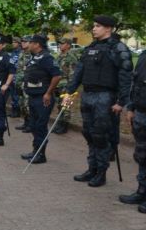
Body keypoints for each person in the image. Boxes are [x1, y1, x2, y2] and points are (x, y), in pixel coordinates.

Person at [64, 15, 133, 187]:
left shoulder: (118, 48)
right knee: (88, 133)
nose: (94, 28)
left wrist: (121, 102)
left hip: (105, 97)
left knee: (100, 136)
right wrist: (68, 92)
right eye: (93, 25)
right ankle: (91, 169)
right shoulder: (90, 48)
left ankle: (101, 173)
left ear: (108, 28)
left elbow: (125, 77)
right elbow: (79, 72)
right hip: (87, 95)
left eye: (98, 26)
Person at [20, 34, 61, 164]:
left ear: (37, 44)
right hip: (33, 96)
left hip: (42, 98)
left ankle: (41, 155)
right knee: (33, 125)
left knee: (40, 126)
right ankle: (35, 150)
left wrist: (48, 93)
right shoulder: (35, 57)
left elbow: (57, 76)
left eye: (30, 42)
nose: (28, 44)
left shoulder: (47, 58)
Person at [120, 49, 146, 213]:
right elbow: (135, 82)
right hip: (141, 113)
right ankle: (142, 191)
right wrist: (130, 107)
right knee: (142, 155)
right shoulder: (144, 55)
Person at [0, 36, 15, 146]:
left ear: (3, 45)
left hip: (1, 88)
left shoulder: (6, 57)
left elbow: (12, 72)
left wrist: (6, 84)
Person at [52, 38, 79, 134]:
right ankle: (59, 123)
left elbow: (73, 74)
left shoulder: (71, 57)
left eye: (62, 43)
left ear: (68, 45)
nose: (60, 45)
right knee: (59, 106)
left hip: (66, 85)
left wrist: (70, 88)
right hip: (58, 85)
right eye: (59, 43)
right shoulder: (59, 56)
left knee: (66, 106)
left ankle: (64, 126)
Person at [14, 36, 32, 132]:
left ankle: (30, 124)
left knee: (27, 104)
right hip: (19, 82)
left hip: (27, 83)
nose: (23, 43)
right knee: (22, 104)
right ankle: (25, 122)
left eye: (26, 42)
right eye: (22, 42)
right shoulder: (21, 53)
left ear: (30, 43)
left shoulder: (32, 54)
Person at [9, 36, 22, 118]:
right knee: (13, 95)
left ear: (18, 43)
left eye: (15, 42)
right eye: (13, 42)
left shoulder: (21, 53)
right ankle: (13, 110)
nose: (13, 44)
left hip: (18, 77)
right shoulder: (13, 52)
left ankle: (17, 111)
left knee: (17, 95)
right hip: (12, 76)